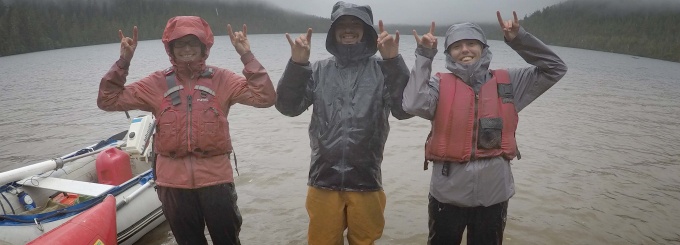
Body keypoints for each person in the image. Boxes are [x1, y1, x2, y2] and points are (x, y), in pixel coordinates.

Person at [97, 16, 276, 245]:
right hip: (173, 186)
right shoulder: (156, 83)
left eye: (193, 42)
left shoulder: (223, 79)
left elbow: (266, 97)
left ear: (204, 47)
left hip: (216, 182)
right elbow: (107, 100)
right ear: (170, 48)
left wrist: (246, 56)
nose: (187, 48)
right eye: (180, 43)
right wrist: (123, 62)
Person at [403, 12, 567, 244]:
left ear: (483, 47)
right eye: (457, 46)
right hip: (447, 197)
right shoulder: (438, 85)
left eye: (471, 43)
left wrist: (519, 38)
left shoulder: (510, 82)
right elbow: (412, 104)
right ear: (449, 53)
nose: (465, 50)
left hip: (494, 197)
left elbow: (556, 68)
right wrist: (424, 55)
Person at [275, 1, 413, 244]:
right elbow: (287, 107)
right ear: (333, 31)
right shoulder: (317, 70)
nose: (348, 29)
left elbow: (405, 110)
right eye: (342, 24)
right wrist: (297, 65)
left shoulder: (383, 71)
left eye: (355, 24)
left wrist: (393, 61)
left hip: (367, 178)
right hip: (323, 179)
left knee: (365, 240)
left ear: (367, 30)